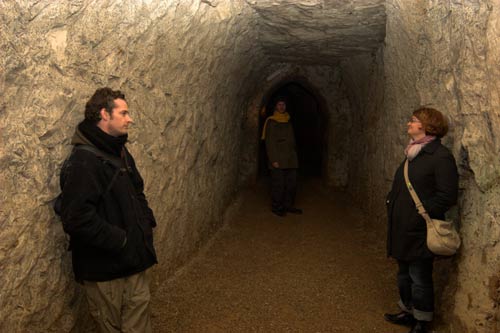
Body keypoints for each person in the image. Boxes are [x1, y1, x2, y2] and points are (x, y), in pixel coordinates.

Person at [59, 88, 157, 332]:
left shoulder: (120, 152)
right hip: (105, 269)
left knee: (139, 323)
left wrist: (145, 224)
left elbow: (137, 191)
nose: (130, 118)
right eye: (123, 113)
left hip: (134, 260)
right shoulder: (84, 161)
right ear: (104, 114)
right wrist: (121, 240)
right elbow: (76, 218)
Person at [384, 107, 459, 333]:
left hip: (418, 227)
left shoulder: (440, 157)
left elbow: (447, 196)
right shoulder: (413, 152)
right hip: (401, 226)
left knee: (419, 276)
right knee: (403, 273)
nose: (409, 123)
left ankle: (422, 320)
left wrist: (421, 214)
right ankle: (408, 311)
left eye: (413, 121)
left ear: (426, 126)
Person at [261, 97, 302, 217]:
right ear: (275, 107)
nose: (282, 107)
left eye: (283, 104)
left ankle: (288, 205)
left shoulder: (288, 120)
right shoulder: (271, 122)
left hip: (290, 158)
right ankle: (277, 207)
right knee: (278, 184)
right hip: (278, 158)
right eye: (279, 104)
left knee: (291, 183)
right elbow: (270, 142)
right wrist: (273, 160)